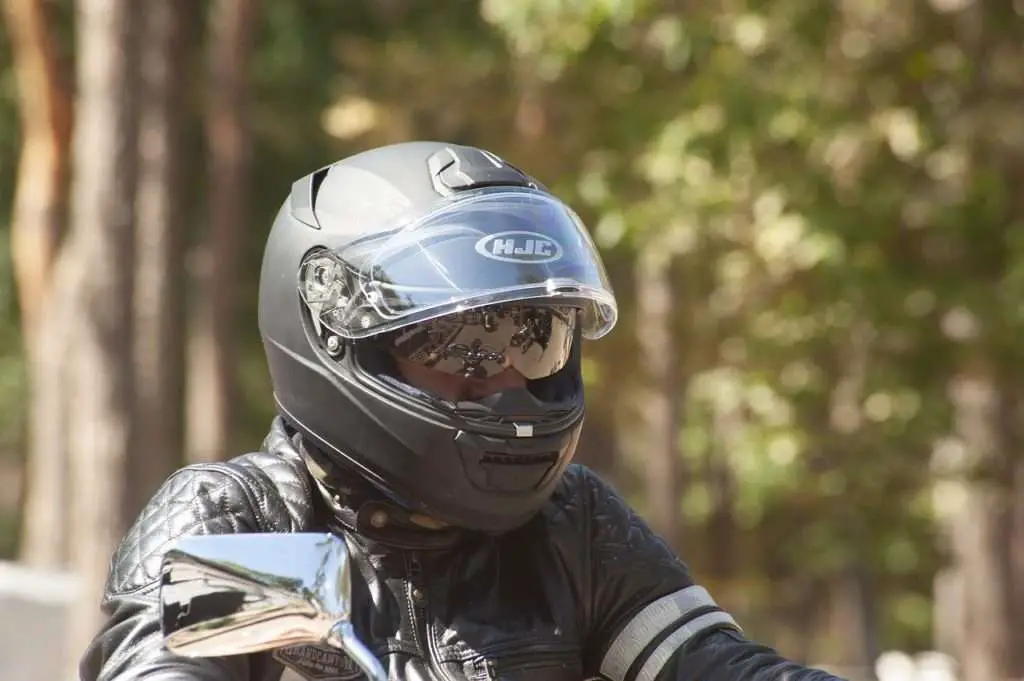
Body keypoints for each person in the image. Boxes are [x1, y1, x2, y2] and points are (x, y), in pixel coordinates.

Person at [80, 141, 843, 681]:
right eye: (464, 349)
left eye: (533, 340)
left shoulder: (567, 528)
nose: (506, 381)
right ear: (339, 340)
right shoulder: (245, 521)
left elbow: (721, 666)